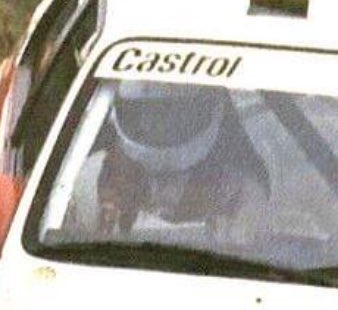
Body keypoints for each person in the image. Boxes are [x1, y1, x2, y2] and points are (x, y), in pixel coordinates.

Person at [89, 81, 270, 243]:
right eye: (148, 117)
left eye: (171, 115)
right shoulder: (84, 170)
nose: (158, 127)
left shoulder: (241, 190)